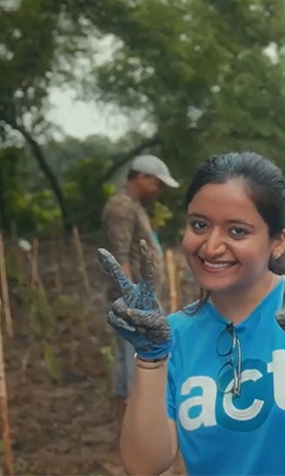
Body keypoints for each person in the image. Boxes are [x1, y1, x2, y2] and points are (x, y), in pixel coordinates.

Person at [97, 152, 285, 475]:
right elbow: (144, 465)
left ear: (278, 241)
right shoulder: (172, 336)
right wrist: (150, 360)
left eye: (237, 231)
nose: (212, 246)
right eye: (199, 225)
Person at [101, 153, 180, 426]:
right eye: (157, 184)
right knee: (134, 363)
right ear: (142, 177)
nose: (158, 191)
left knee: (132, 362)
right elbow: (120, 256)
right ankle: (135, 428)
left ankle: (135, 425)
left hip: (141, 300)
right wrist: (134, 303)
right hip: (134, 303)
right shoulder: (121, 207)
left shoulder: (134, 206)